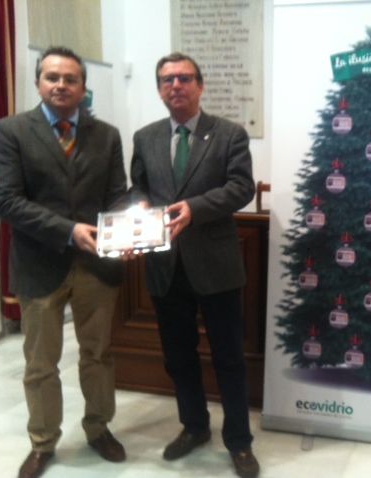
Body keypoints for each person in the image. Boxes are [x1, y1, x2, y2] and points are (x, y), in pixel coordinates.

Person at [0, 47, 128, 478]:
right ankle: (43, 441)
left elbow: (116, 196)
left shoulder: (107, 135)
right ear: (38, 83)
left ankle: (99, 428)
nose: (61, 85)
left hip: (96, 267)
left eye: (70, 79)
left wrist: (128, 230)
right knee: (40, 363)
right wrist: (69, 231)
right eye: (52, 77)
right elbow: (7, 200)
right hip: (39, 265)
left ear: (84, 88)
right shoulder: (11, 131)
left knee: (98, 355)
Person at [130, 52, 258, 478]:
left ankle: (239, 441)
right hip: (165, 265)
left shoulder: (229, 134)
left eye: (185, 78)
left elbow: (241, 187)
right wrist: (139, 206)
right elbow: (138, 188)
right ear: (159, 89)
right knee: (178, 356)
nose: (176, 86)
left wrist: (195, 208)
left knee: (229, 358)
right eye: (167, 80)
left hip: (216, 265)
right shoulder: (145, 137)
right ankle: (194, 427)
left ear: (200, 86)